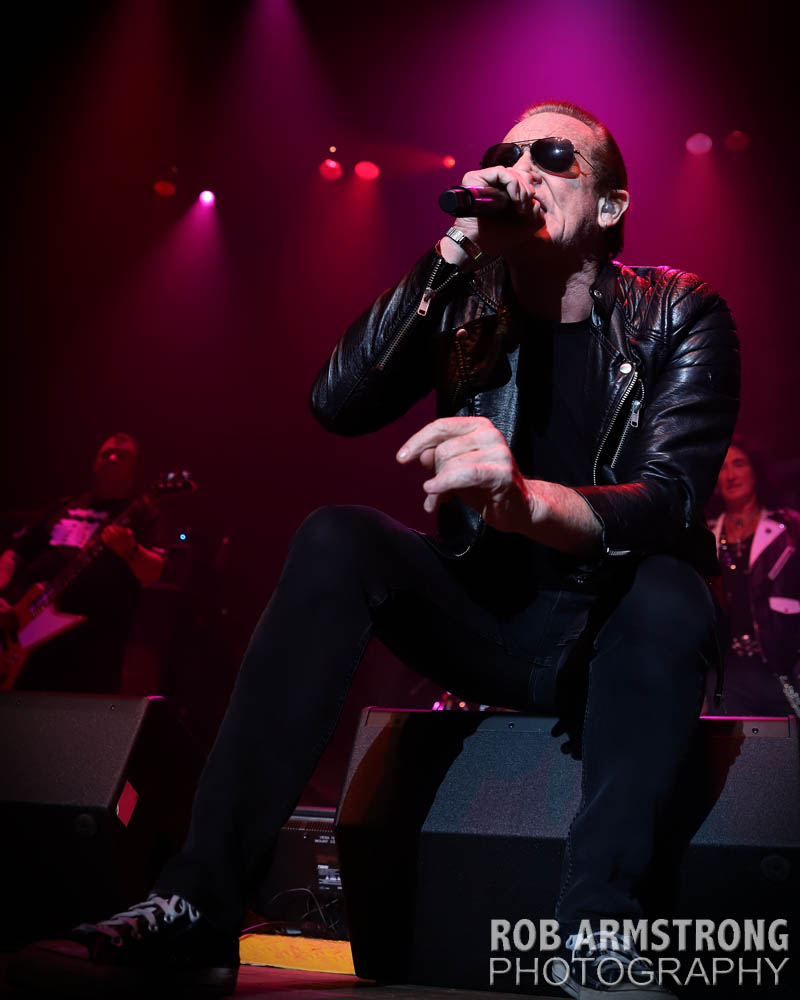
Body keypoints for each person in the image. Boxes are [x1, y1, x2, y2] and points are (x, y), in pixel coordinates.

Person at [8, 102, 740, 999]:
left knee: (668, 586)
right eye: (506, 152)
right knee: (337, 536)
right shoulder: (465, 296)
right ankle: (198, 903)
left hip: (618, 638)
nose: (520, 168)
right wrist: (449, 255)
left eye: (554, 155)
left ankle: (600, 928)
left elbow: (668, 500)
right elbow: (337, 403)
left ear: (613, 205)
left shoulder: (681, 311)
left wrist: (523, 502)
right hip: (494, 620)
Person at [0, 432, 165, 693]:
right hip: (25, 640)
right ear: (94, 462)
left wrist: (131, 551)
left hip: (90, 654)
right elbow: (14, 554)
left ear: (136, 468)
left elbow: (154, 572)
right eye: (106, 453)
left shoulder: (142, 514)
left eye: (122, 456)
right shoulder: (64, 506)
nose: (112, 458)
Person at [706, 437, 800, 716]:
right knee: (733, 742)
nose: (730, 475)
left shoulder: (790, 529)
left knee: (787, 740)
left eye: (739, 464)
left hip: (783, 667)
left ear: (755, 471)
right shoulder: (705, 537)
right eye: (722, 468)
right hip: (727, 673)